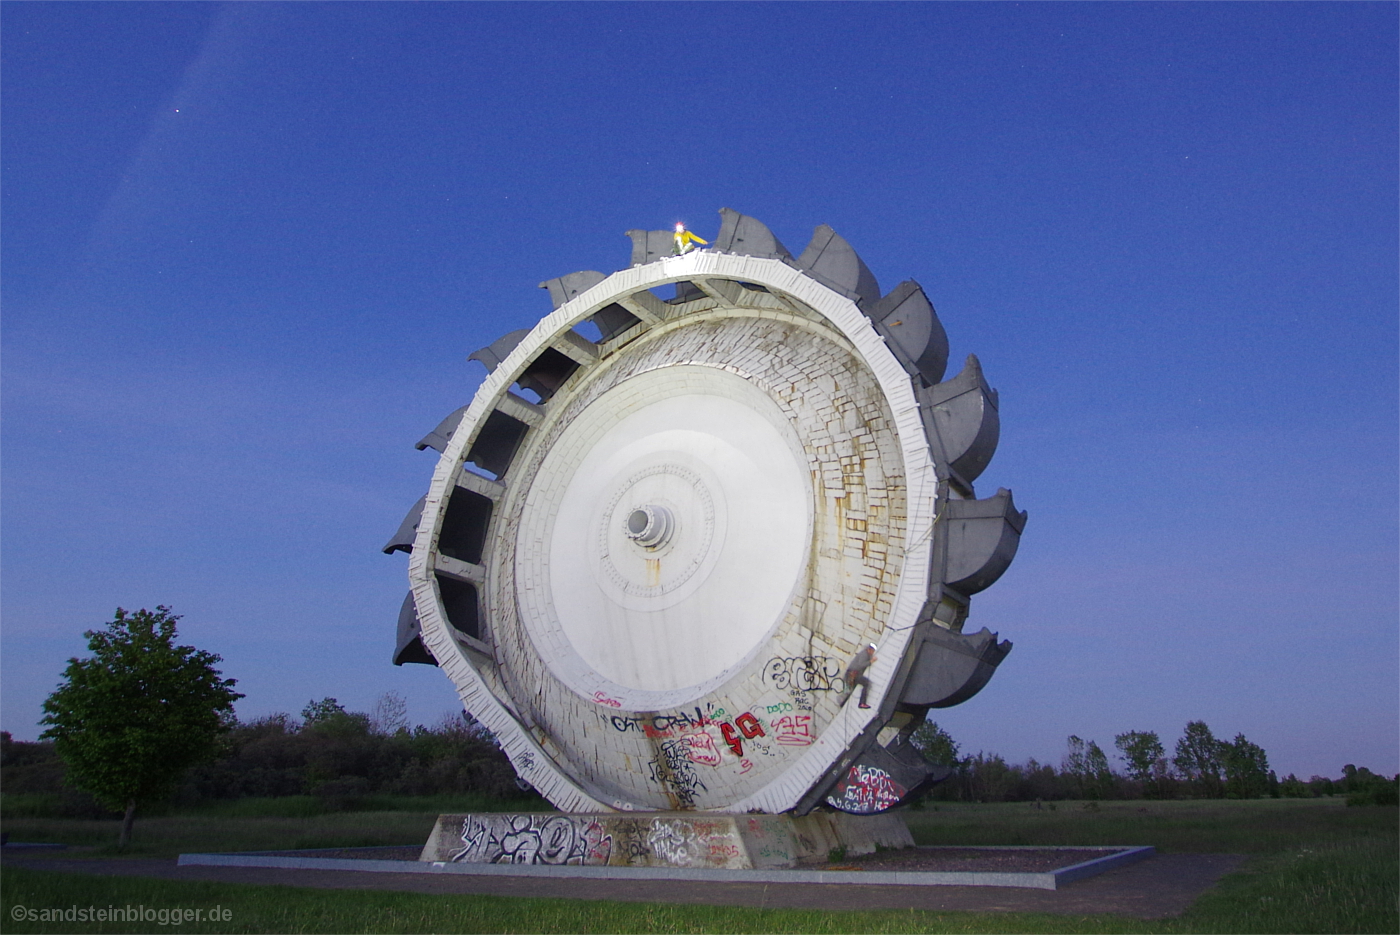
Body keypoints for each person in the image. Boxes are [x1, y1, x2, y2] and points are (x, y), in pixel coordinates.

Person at [844, 643, 877, 709]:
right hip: (852, 674)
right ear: (869, 649)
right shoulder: (864, 654)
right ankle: (862, 703)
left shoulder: (866, 654)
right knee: (866, 683)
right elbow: (861, 665)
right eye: (872, 651)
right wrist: (871, 661)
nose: (873, 653)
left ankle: (844, 703)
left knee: (853, 690)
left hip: (853, 674)